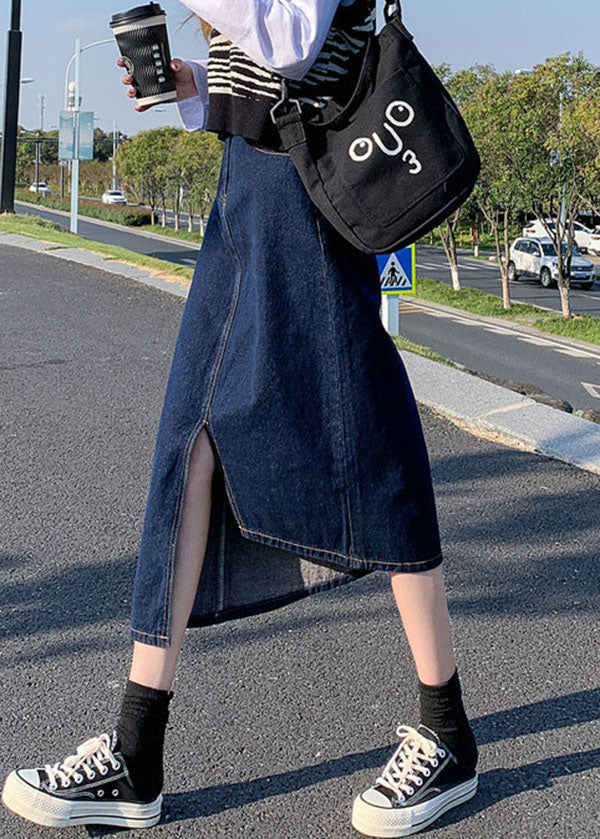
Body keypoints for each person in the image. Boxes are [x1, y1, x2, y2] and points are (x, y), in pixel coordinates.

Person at [1, 0, 479, 835]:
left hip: (312, 195)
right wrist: (196, 88)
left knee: (371, 438)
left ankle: (446, 732)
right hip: (250, 184)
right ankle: (135, 749)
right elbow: (267, 64)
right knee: (187, 449)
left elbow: (295, 37)